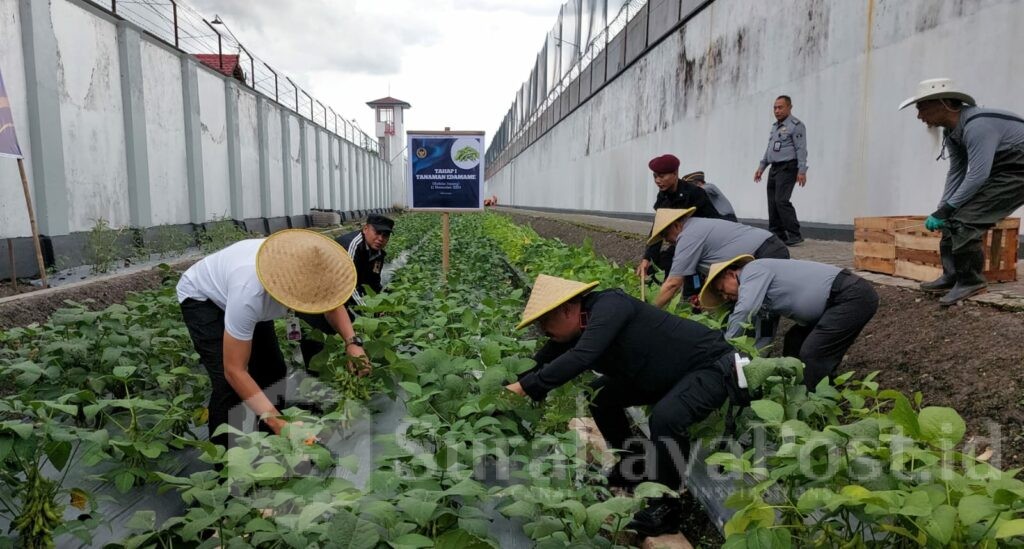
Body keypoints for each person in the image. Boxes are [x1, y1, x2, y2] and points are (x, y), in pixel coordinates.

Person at [505, 274, 735, 538]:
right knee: (599, 395)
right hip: (666, 375)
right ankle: (636, 465)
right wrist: (504, 389)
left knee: (666, 418)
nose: (544, 330)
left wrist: (524, 389)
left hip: (709, 366)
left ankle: (666, 507)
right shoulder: (574, 327)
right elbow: (538, 363)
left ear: (566, 308)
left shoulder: (609, 306)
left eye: (545, 321)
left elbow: (583, 356)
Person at [176, 229, 364, 449]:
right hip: (204, 298)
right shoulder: (250, 294)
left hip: (246, 292)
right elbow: (234, 370)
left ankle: (273, 444)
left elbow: (330, 301)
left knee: (273, 371)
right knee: (227, 386)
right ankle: (225, 467)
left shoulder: (302, 269)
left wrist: (352, 343)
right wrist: (279, 422)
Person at [899, 78, 1024, 306]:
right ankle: (953, 275)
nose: (919, 116)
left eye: (922, 108)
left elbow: (977, 175)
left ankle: (971, 281)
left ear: (943, 103)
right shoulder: (952, 131)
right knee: (950, 218)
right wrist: (942, 209)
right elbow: (957, 172)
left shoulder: (978, 126)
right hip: (1002, 170)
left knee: (966, 220)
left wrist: (948, 209)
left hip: (1018, 170)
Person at [700, 256, 878, 390]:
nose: (725, 297)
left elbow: (745, 309)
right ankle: (792, 391)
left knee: (813, 353)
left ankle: (820, 402)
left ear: (730, 274)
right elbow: (764, 340)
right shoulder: (762, 300)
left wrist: (726, 346)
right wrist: (754, 371)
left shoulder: (753, 270)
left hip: (850, 295)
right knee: (794, 341)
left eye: (722, 290)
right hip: (832, 305)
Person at [299, 214, 394, 367]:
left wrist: (383, 305)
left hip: (335, 299)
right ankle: (315, 381)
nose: (381, 238)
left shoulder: (377, 254)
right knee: (315, 339)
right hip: (314, 297)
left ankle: (346, 368)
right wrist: (370, 311)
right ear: (365, 229)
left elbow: (374, 284)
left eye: (385, 235)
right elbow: (347, 286)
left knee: (345, 333)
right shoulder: (351, 245)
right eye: (377, 232)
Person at [646, 208, 789, 309]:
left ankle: (759, 347)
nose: (667, 240)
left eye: (665, 235)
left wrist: (650, 311)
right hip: (766, 248)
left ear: (676, 225)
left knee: (763, 306)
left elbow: (673, 283)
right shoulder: (695, 227)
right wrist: (698, 297)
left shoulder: (688, 236)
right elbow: (698, 277)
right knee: (749, 304)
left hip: (767, 252)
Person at [636, 154, 725, 281]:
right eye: (655, 176)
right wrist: (647, 259)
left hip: (703, 244)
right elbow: (658, 230)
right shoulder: (663, 197)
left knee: (692, 279)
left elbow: (714, 222)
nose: (657, 180)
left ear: (675, 173)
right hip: (681, 243)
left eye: (661, 176)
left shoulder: (695, 193)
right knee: (654, 270)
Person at [754, 95, 808, 246]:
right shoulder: (775, 127)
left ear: (789, 107)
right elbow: (769, 149)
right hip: (774, 167)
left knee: (781, 200)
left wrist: (802, 171)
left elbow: (801, 149)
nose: (777, 111)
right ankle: (777, 234)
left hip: (788, 167)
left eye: (780, 107)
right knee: (772, 202)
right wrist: (761, 167)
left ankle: (794, 234)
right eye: (775, 107)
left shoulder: (796, 125)